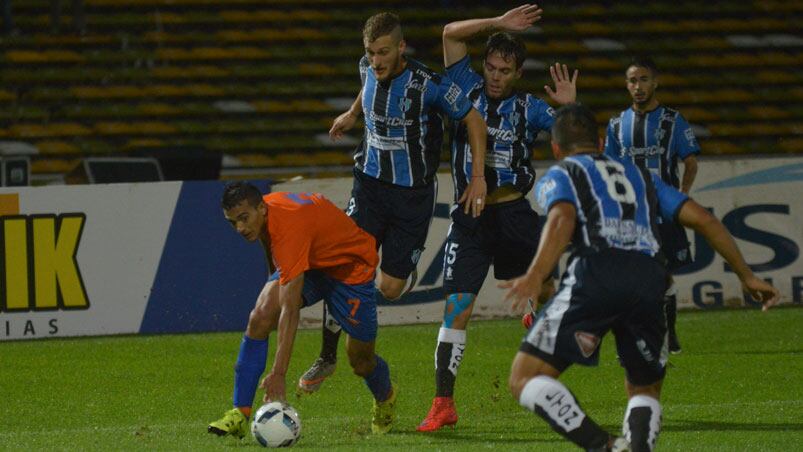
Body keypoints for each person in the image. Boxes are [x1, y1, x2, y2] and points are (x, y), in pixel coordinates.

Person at [501, 104, 778, 451]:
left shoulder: (562, 173)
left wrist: (535, 275)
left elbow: (561, 218)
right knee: (644, 387)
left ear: (556, 149)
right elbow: (704, 220)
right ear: (601, 142)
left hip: (597, 274)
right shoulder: (640, 175)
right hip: (651, 279)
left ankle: (604, 446)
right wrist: (747, 275)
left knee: (524, 377)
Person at [297, 11, 489, 394]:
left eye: (384, 52)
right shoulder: (367, 68)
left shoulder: (428, 84)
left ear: (401, 47)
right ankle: (327, 356)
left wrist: (478, 176)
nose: (376, 61)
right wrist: (352, 114)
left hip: (411, 198)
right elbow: (366, 83)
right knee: (345, 267)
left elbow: (473, 120)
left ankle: (401, 272)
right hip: (368, 187)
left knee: (389, 288)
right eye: (370, 53)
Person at [417, 4, 579, 432]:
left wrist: (569, 109)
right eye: (490, 66)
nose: (494, 76)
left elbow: (576, 140)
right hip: (469, 218)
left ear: (518, 73)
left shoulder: (530, 108)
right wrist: (500, 23)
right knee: (457, 307)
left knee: (545, 287)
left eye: (504, 70)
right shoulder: (464, 86)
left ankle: (534, 317)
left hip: (514, 214)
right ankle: (443, 403)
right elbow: (451, 32)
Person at [207, 183, 397, 437]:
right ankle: (239, 413)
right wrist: (272, 280)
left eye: (243, 219)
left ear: (261, 208)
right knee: (261, 316)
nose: (240, 228)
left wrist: (278, 374)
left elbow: (290, 310)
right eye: (233, 223)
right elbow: (269, 244)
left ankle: (386, 398)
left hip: (350, 269)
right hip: (314, 260)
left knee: (361, 361)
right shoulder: (266, 214)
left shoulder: (288, 228)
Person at [604, 56, 700, 354]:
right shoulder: (617, 125)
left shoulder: (672, 121)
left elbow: (690, 161)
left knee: (662, 274)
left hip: (664, 211)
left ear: (655, 82)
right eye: (632, 80)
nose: (638, 86)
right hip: (632, 213)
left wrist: (681, 197)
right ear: (626, 85)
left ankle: (668, 333)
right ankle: (651, 334)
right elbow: (610, 167)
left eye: (643, 79)